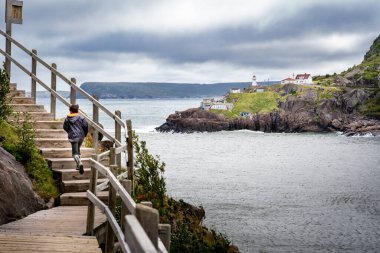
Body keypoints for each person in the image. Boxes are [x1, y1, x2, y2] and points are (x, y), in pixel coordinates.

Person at [63, 104, 88, 174]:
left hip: (73, 137)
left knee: (74, 153)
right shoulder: (81, 117)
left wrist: (70, 132)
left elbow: (65, 127)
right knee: (78, 150)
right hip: (81, 136)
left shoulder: (67, 119)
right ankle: (78, 166)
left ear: (70, 111)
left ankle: (79, 163)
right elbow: (85, 126)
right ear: (77, 110)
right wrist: (84, 134)